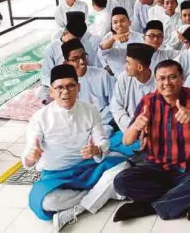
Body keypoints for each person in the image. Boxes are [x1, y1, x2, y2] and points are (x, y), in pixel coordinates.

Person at [112, 59, 190, 222]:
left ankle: (148, 207)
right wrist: (136, 126)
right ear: (156, 81)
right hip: (156, 166)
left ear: (181, 78)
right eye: (161, 79)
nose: (167, 83)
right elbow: (127, 141)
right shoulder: (148, 101)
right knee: (121, 181)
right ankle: (184, 200)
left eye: (172, 77)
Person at [24, 65, 129, 231]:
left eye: (70, 86)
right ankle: (100, 194)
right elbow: (28, 157)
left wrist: (96, 150)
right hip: (57, 175)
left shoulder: (90, 110)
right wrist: (31, 156)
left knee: (124, 167)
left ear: (78, 87)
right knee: (46, 201)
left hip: (89, 167)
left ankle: (77, 209)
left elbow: (102, 141)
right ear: (51, 91)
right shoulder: (39, 119)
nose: (65, 92)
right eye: (59, 87)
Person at [38, 13, 99, 103]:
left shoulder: (85, 45)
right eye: (72, 39)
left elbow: (96, 66)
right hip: (60, 82)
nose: (74, 43)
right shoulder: (51, 48)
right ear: (65, 33)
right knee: (42, 93)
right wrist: (59, 85)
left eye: (77, 40)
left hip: (82, 80)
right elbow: (46, 76)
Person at [62, 39, 115, 136]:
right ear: (66, 63)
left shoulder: (102, 75)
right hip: (78, 124)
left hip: (102, 121)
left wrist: (97, 121)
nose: (82, 62)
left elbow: (114, 102)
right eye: (75, 59)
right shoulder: (63, 83)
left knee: (104, 134)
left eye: (83, 57)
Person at [110, 42, 156, 153]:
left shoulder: (159, 81)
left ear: (139, 67)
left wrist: (146, 132)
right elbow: (116, 107)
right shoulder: (124, 78)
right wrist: (132, 128)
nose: (125, 66)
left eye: (128, 63)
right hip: (127, 128)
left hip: (152, 132)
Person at [99, 7, 143, 77]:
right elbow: (102, 51)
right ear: (112, 25)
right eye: (115, 22)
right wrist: (113, 38)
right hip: (117, 77)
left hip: (137, 76)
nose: (119, 24)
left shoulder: (140, 37)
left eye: (122, 21)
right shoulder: (108, 37)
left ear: (129, 22)